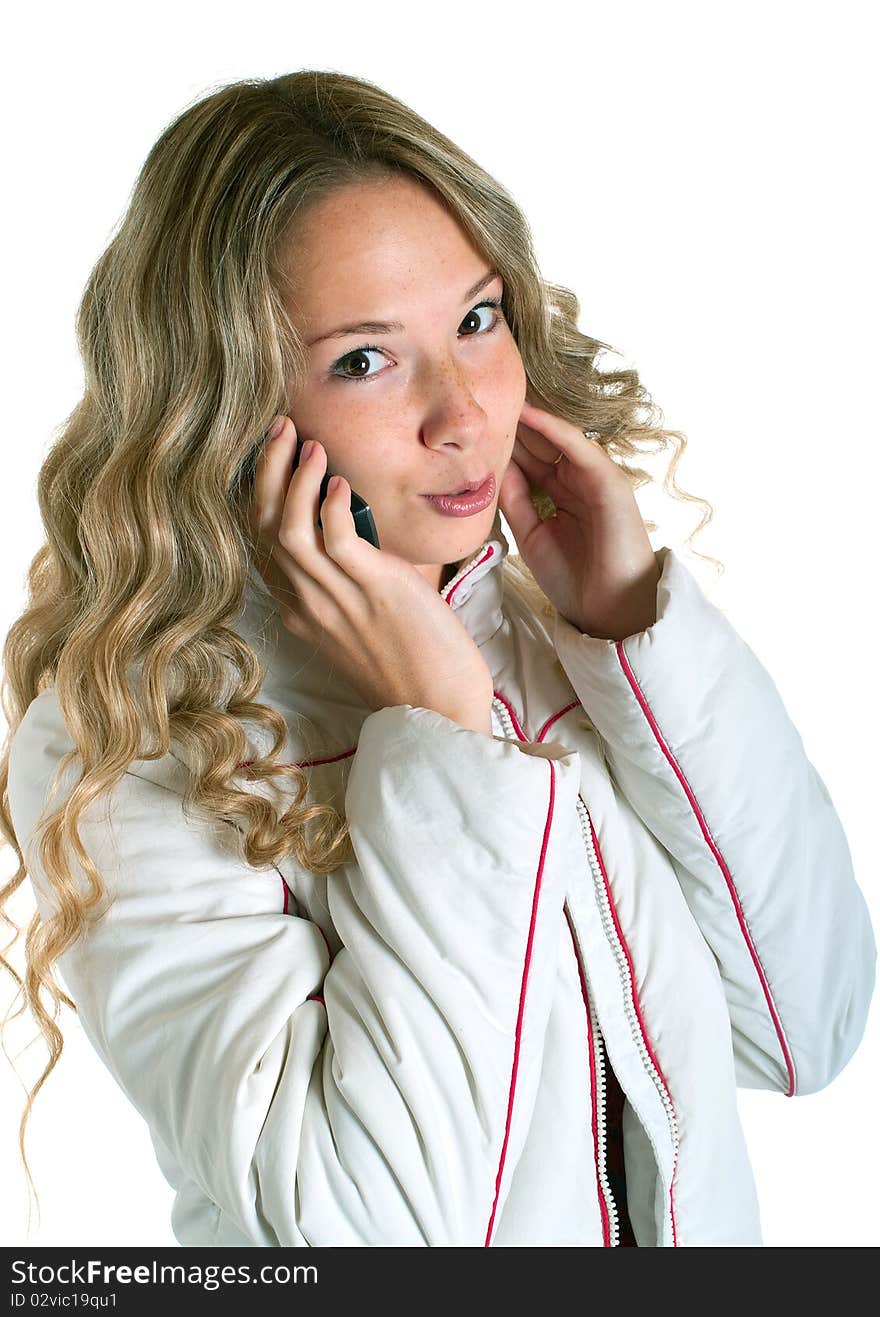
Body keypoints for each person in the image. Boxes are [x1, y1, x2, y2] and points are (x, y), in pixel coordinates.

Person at [0, 69, 874, 1249]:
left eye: (475, 320)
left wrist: (631, 633)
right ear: (226, 400)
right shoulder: (143, 733)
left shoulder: (548, 630)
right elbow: (367, 1238)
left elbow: (800, 1027)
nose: (462, 412)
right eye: (365, 359)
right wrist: (448, 743)